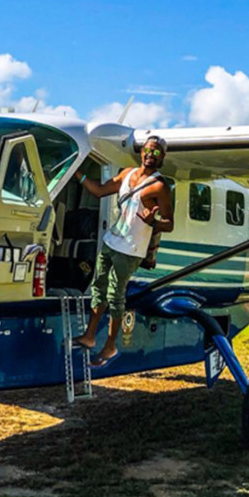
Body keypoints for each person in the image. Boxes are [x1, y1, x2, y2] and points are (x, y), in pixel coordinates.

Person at [72, 136, 174, 367]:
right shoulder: (127, 174)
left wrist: (153, 222)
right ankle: (89, 336)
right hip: (112, 241)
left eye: (157, 153)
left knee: (115, 296)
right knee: (98, 286)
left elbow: (169, 223)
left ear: (162, 158)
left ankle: (110, 347)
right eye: (148, 150)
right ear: (142, 152)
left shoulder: (160, 186)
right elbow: (98, 191)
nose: (150, 155)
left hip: (131, 249)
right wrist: (77, 173)